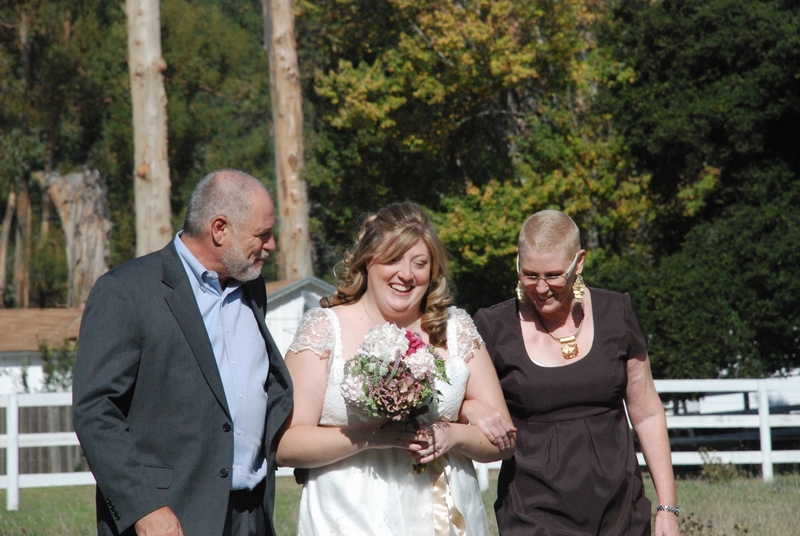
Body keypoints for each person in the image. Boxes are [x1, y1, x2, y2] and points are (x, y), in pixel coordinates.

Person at [73, 170, 293, 536]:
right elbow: (95, 412)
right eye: (262, 234)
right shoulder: (126, 291)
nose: (271, 245)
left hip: (252, 516)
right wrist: (144, 508)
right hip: (170, 517)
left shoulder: (252, 289)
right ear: (219, 229)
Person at [276, 202, 515, 535]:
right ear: (367, 261)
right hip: (348, 516)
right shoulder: (324, 329)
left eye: (419, 263)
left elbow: (503, 440)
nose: (406, 274)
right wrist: (370, 437)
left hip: (442, 516)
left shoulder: (455, 329)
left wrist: (453, 434)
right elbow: (286, 446)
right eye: (393, 260)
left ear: (432, 272)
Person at [470, 209, 680, 536]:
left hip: (619, 510)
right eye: (529, 274)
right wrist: (472, 407)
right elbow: (458, 397)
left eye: (554, 275)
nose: (540, 288)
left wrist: (667, 508)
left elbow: (648, 413)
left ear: (578, 262)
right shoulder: (493, 326)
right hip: (533, 514)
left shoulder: (617, 313)